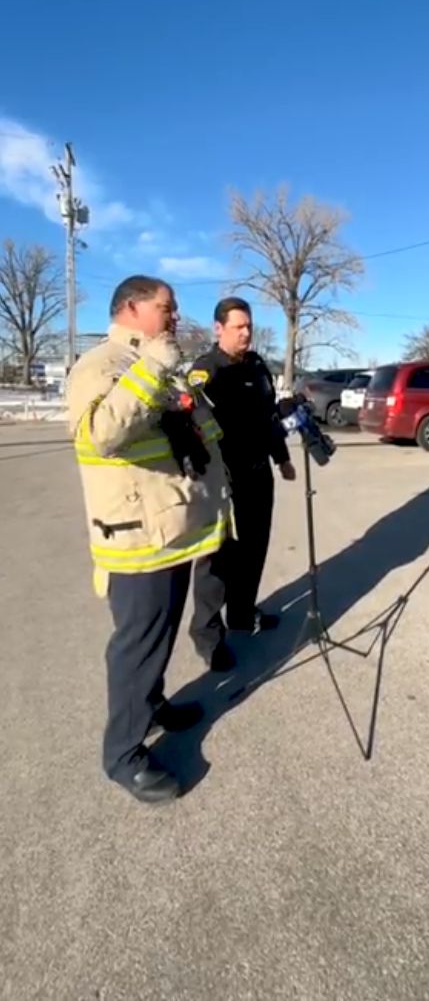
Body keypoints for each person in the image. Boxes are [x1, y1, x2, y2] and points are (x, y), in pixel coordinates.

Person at [67, 275, 232, 804]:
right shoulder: (100, 366)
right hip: (135, 538)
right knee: (137, 645)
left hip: (171, 529)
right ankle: (123, 755)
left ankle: (154, 703)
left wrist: (193, 407)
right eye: (166, 306)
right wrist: (156, 368)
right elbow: (102, 435)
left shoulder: (161, 363)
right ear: (132, 307)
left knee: (157, 638)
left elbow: (199, 433)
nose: (175, 315)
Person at [187, 297, 296, 669]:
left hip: (258, 472)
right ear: (219, 329)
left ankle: (243, 614)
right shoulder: (206, 371)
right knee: (218, 559)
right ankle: (208, 638)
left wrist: (281, 458)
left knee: (254, 547)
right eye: (238, 327)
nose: (246, 332)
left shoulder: (257, 364)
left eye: (248, 326)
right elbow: (191, 427)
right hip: (223, 477)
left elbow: (267, 417)